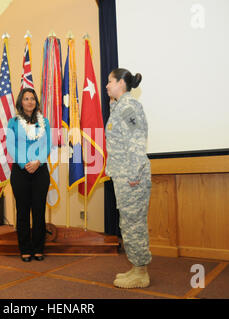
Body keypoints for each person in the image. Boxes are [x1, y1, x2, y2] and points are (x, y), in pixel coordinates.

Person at [104, 68, 152, 289]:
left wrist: (133, 174)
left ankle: (141, 273)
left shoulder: (128, 107)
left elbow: (136, 142)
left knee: (134, 224)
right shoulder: (118, 106)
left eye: (110, 81)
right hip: (123, 175)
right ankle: (136, 267)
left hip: (132, 176)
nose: (107, 85)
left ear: (121, 83)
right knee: (128, 223)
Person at [6, 88, 51, 262]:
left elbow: (48, 144)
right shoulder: (13, 122)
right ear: (20, 102)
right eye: (26, 98)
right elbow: (11, 146)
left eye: (32, 98)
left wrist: (38, 161)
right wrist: (25, 164)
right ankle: (25, 248)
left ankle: (39, 248)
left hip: (40, 170)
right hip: (20, 172)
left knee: (39, 211)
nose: (30, 101)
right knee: (22, 211)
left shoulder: (44, 121)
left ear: (36, 102)